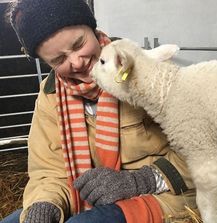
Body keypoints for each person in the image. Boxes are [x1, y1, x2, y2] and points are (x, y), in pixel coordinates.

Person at [2, 0, 197, 222]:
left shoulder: (145, 72)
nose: (76, 62)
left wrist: (140, 181)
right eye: (59, 59)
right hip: (89, 198)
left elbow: (205, 147)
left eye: (78, 44)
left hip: (165, 193)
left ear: (93, 30)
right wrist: (45, 206)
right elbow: (48, 171)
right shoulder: (50, 96)